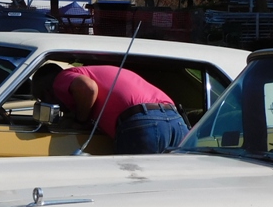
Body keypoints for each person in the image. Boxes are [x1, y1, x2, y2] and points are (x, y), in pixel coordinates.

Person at [32, 63, 188, 154]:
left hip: (143, 123)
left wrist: (79, 122)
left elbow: (88, 88)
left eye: (43, 99)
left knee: (134, 193)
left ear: (47, 92)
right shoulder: (95, 72)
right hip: (175, 120)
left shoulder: (61, 78)